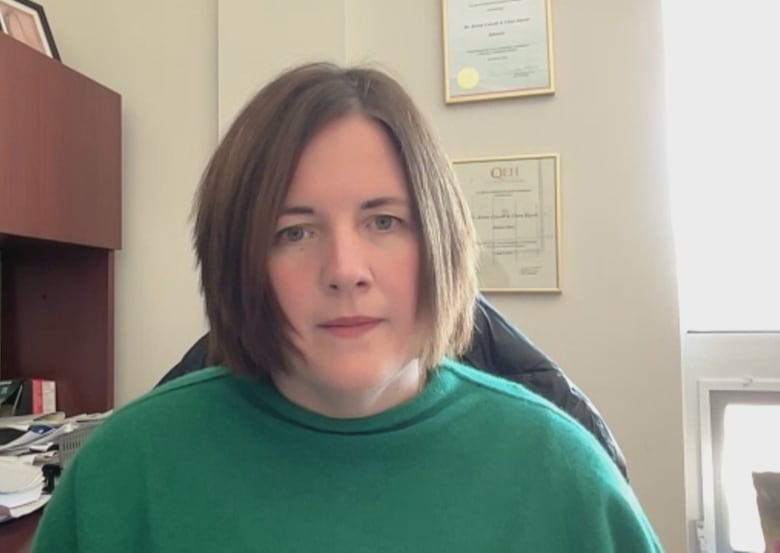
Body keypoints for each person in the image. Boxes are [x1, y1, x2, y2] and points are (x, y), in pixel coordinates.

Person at [33, 62, 663, 552]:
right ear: (238, 260)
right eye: (294, 232)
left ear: (439, 243)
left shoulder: (563, 478)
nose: (344, 271)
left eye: (383, 221)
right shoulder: (123, 475)